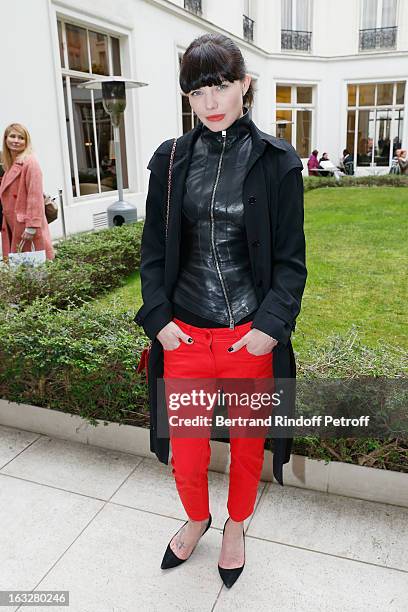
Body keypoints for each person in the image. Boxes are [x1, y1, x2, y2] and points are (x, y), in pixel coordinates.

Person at [134, 33, 307, 588]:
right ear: (188, 96)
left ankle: (235, 526)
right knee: (185, 450)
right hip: (183, 335)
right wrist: (159, 322)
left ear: (245, 85)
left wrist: (269, 330)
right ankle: (197, 517)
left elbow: (290, 262)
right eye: (198, 90)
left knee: (248, 446)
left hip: (246, 339)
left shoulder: (277, 162)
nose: (210, 101)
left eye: (221, 85)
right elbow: (154, 250)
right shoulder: (172, 158)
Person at [0, 123, 54, 261]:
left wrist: (32, 226)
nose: (16, 141)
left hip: (26, 227)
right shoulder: (10, 164)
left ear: (26, 141)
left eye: (21, 138)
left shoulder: (30, 162)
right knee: (21, 270)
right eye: (12, 136)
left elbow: (34, 196)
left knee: (33, 270)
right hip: (13, 224)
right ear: (6, 139)